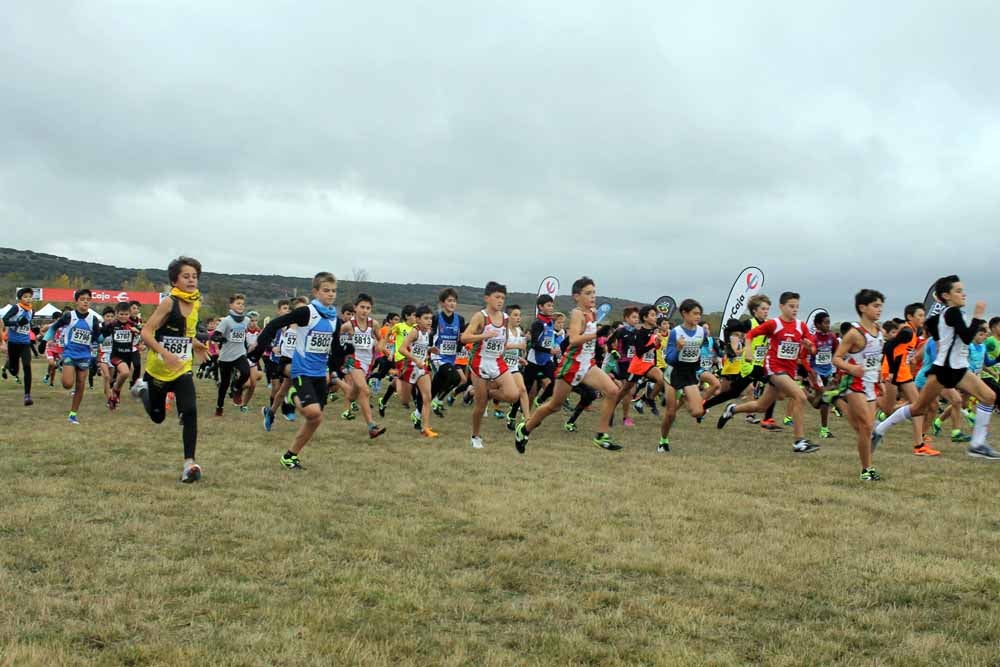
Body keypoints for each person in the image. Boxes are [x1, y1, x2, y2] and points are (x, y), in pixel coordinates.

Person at [872, 275, 998, 459]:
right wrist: (978, 316)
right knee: (918, 408)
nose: (963, 294)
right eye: (958, 291)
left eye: (963, 290)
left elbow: (934, 326)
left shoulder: (951, 314)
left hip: (959, 369)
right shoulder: (952, 313)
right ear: (946, 295)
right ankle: (879, 430)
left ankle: (977, 444)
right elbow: (966, 336)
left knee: (989, 396)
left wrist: (941, 341)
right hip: (944, 371)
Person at [514, 276, 624, 453]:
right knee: (554, 406)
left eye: (594, 292)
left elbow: (592, 339)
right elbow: (573, 339)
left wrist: (606, 338)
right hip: (571, 366)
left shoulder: (593, 313)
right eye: (588, 293)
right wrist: (596, 335)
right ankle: (525, 429)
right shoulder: (577, 314)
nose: (592, 296)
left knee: (612, 391)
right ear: (576, 296)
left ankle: (601, 435)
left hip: (588, 365)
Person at [249, 272, 340, 471]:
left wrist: (334, 372)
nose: (331, 294)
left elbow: (334, 349)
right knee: (311, 410)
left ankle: (290, 456)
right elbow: (274, 324)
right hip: (301, 370)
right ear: (316, 292)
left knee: (316, 418)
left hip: (319, 373)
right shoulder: (307, 312)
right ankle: (291, 394)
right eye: (326, 291)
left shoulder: (335, 319)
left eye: (333, 291)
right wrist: (258, 349)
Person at [716, 291, 821, 454]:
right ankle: (799, 442)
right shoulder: (774, 324)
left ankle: (732, 410)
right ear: (781, 307)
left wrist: (810, 347)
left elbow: (813, 348)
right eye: (791, 306)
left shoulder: (801, 326)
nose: (795, 310)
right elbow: (750, 335)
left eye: (797, 307)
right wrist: (749, 350)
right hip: (774, 369)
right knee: (800, 396)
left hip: (788, 371)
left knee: (760, 406)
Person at [832, 290, 886, 481]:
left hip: (871, 384)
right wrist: (851, 368)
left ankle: (836, 401)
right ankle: (866, 470)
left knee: (865, 429)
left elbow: (877, 359)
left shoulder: (880, 332)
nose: (880, 309)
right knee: (867, 425)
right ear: (863, 308)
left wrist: (881, 378)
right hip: (854, 384)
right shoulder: (854, 334)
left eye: (881, 305)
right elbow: (836, 359)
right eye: (875, 305)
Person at [462, 282, 520, 449]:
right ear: (487, 298)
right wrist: (484, 335)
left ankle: (485, 393)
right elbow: (465, 338)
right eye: (497, 297)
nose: (500, 300)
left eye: (503, 297)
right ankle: (475, 436)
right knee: (480, 406)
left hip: (497, 360)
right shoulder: (480, 316)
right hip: (479, 361)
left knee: (513, 394)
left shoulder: (506, 318)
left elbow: (505, 340)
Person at [42, 289, 102, 424]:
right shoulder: (69, 316)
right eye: (82, 299)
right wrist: (45, 341)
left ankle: (73, 414)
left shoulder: (93, 319)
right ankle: (62, 367)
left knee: (80, 384)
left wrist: (106, 335)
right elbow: (54, 328)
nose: (86, 301)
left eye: (88, 299)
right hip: (70, 353)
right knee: (68, 384)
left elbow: (99, 338)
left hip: (85, 355)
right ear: (76, 301)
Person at [659, 300, 708, 452]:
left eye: (699, 314)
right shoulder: (676, 332)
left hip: (689, 373)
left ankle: (683, 396)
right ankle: (663, 441)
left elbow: (700, 352)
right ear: (684, 314)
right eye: (695, 313)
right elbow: (669, 358)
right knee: (671, 413)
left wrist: (699, 369)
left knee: (698, 411)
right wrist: (679, 348)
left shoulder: (702, 331)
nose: (698, 317)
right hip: (674, 372)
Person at [338, 293, 387, 438]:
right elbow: (336, 341)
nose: (365, 310)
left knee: (354, 393)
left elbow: (382, 338)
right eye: (362, 307)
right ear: (355, 308)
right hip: (352, 359)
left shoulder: (374, 324)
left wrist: (380, 346)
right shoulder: (348, 326)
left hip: (367, 360)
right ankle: (372, 426)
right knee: (365, 390)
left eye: (368, 308)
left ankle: (337, 381)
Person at [398, 305, 439, 438]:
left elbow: (420, 348)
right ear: (417, 319)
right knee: (405, 401)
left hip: (421, 369)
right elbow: (402, 349)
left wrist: (430, 350)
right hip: (409, 368)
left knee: (427, 398)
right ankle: (396, 380)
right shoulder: (414, 332)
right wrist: (416, 360)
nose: (429, 321)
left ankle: (425, 428)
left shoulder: (427, 332)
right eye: (426, 318)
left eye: (431, 318)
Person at [212, 294, 252, 416]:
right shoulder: (226, 321)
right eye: (238, 303)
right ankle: (219, 406)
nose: (241, 306)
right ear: (231, 305)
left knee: (246, 372)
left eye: (242, 304)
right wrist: (220, 339)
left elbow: (244, 335)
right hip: (226, 356)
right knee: (224, 384)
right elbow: (214, 335)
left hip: (240, 353)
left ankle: (236, 388)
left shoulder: (247, 320)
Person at [100, 301, 142, 410]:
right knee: (125, 372)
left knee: (123, 376)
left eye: (126, 314)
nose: (123, 317)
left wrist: (137, 331)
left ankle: (115, 394)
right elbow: (102, 333)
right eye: (121, 314)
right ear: (117, 314)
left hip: (127, 355)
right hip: (116, 355)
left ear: (129, 314)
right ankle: (115, 390)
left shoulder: (133, 324)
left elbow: (143, 333)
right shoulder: (113, 325)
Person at [1, 287, 35, 405]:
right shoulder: (16, 308)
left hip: (25, 343)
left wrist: (33, 329)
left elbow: (28, 324)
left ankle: (27, 395)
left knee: (27, 365)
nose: (28, 299)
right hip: (13, 343)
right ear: (20, 298)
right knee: (14, 370)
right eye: (25, 297)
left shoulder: (31, 310)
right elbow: (4, 320)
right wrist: (16, 323)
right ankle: (11, 368)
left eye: (30, 297)